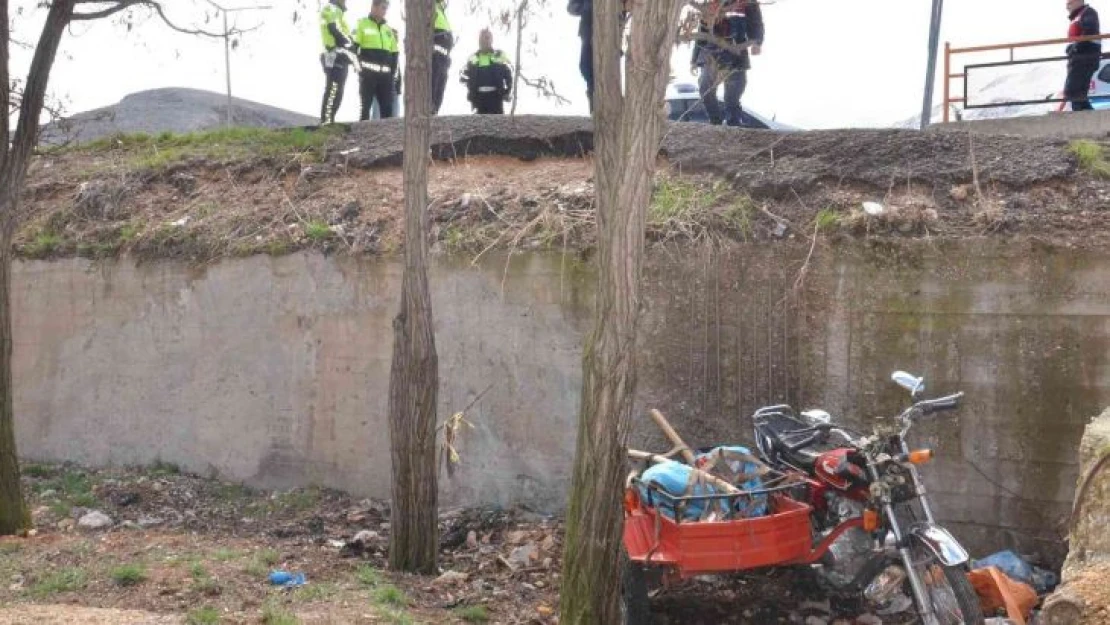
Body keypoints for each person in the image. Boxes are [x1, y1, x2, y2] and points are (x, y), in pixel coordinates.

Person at [691, 0, 764, 127]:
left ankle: (733, 121)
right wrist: (694, 59)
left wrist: (757, 42)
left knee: (735, 90)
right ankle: (715, 120)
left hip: (736, 49)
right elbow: (702, 30)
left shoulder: (747, 2)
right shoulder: (711, 2)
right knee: (705, 87)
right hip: (711, 51)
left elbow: (756, 22)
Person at [353, 0, 401, 121]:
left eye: (386, 9)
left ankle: (388, 138)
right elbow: (353, 48)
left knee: (388, 111)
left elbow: (395, 53)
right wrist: (359, 70)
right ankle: (363, 137)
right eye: (383, 8)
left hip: (386, 77)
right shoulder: (361, 24)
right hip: (368, 75)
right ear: (374, 7)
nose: (385, 11)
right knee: (365, 108)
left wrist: (392, 74)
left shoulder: (388, 29)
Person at [461, 29, 513, 114]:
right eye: (482, 38)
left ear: (492, 40)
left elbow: (509, 74)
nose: (485, 40)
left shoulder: (499, 55)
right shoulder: (473, 58)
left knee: (497, 122)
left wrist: (508, 91)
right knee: (478, 124)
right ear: (479, 40)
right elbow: (463, 76)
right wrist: (470, 89)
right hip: (478, 98)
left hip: (496, 97)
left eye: (487, 37)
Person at [320, 0, 354, 124]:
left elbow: (345, 34)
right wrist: (350, 46)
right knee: (333, 88)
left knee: (339, 90)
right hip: (333, 54)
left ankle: (330, 120)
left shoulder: (340, 14)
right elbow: (333, 29)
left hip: (341, 56)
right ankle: (326, 121)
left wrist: (352, 48)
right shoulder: (331, 8)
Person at [1065, 0, 1101, 111]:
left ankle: (1088, 120)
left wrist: (1074, 48)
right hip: (1080, 58)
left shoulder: (1088, 13)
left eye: (1069, 2)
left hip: (1085, 58)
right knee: (1078, 94)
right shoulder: (1080, 15)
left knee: (1072, 91)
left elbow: (1089, 32)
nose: (1067, 6)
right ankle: (1092, 121)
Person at [432, 0, 454, 114]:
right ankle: (429, 110)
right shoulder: (429, 4)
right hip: (434, 55)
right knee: (433, 85)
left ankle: (434, 111)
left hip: (444, 56)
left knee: (440, 86)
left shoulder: (440, 8)